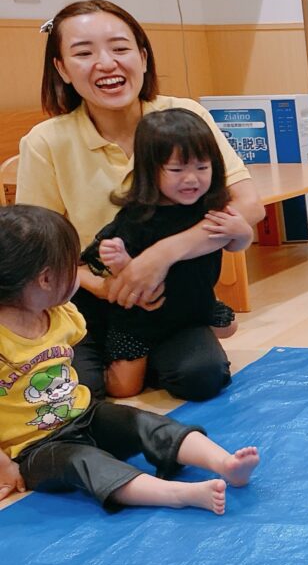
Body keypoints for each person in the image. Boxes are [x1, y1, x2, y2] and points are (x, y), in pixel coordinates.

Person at [16, 0, 264, 402]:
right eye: (83, 53)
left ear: (143, 57)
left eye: (120, 48)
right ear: (61, 68)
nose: (106, 63)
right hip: (93, 302)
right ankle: (130, 358)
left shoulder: (182, 116)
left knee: (202, 377)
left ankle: (153, 352)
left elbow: (249, 205)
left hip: (175, 296)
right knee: (76, 394)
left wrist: (161, 255)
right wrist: (112, 288)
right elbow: (43, 252)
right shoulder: (46, 142)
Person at [0, 205, 259, 513]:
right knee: (86, 462)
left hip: (84, 415)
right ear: (44, 279)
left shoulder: (61, 314)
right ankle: (175, 493)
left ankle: (224, 462)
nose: (78, 273)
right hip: (34, 449)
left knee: (140, 421)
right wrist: (4, 466)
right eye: (72, 267)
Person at [80, 108, 253, 398]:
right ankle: (113, 357)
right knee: (124, 389)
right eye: (176, 170)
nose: (191, 179)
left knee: (229, 326)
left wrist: (242, 231)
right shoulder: (137, 219)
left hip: (190, 310)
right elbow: (126, 278)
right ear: (150, 170)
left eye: (202, 167)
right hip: (141, 321)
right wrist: (121, 260)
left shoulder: (211, 210)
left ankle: (169, 358)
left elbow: (233, 244)